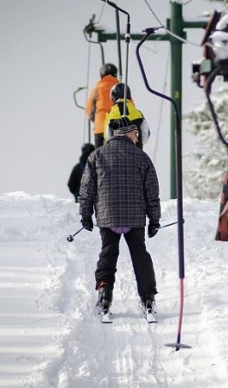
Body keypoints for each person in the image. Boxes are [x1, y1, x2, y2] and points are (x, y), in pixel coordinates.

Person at [78, 117, 161, 317]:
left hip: (108, 217)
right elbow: (152, 192)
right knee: (140, 255)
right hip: (135, 218)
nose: (137, 137)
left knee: (108, 254)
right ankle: (148, 298)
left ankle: (104, 294)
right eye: (136, 133)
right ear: (128, 133)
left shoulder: (97, 156)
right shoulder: (142, 158)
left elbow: (86, 189)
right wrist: (154, 220)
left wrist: (86, 214)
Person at [103, 83, 151, 150]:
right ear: (129, 97)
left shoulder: (111, 114)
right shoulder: (138, 113)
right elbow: (146, 135)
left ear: (113, 99)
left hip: (116, 154)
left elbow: (107, 136)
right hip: (136, 154)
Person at [86, 63, 120, 148]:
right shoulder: (121, 88)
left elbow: (89, 109)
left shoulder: (97, 88)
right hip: (117, 127)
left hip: (100, 127)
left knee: (100, 157)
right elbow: (131, 106)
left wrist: (95, 119)